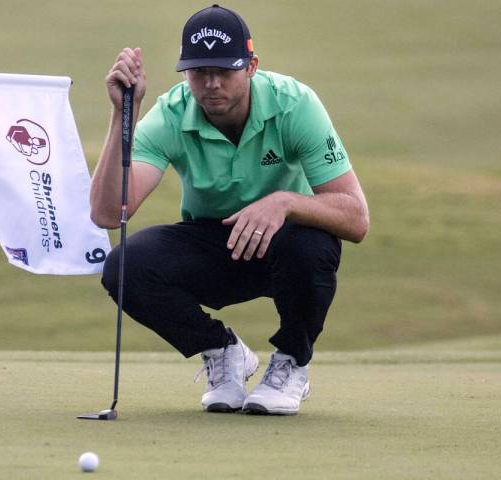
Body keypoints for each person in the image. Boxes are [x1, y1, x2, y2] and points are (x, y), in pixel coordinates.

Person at [90, 4, 369, 415]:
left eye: (225, 70)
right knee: (124, 264)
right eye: (199, 72)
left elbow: (356, 218)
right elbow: (110, 213)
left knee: (311, 244)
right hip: (213, 244)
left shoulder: (295, 104)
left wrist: (285, 202)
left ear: (251, 66)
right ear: (184, 72)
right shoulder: (171, 113)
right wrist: (121, 114)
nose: (212, 84)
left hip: (285, 247)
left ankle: (292, 363)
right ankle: (222, 351)